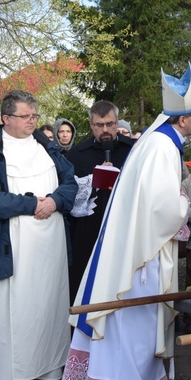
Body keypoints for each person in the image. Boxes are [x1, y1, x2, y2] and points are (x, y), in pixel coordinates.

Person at [61, 67, 191, 380]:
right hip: (141, 258)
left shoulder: (157, 141)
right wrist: (185, 202)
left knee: (127, 324)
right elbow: (162, 210)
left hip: (135, 246)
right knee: (133, 325)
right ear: (183, 120)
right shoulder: (161, 148)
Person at [0, 90, 77, 380]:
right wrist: (28, 205)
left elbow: (70, 182)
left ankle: (43, 377)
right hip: (3, 247)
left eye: (35, 116)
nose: (32, 121)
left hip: (47, 248)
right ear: (6, 118)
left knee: (44, 310)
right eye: (26, 116)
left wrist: (54, 201)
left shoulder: (46, 146)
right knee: (0, 314)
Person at [65, 100, 136, 301]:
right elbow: (68, 192)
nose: (105, 130)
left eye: (110, 124)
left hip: (123, 227)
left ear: (117, 122)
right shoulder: (77, 154)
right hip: (88, 229)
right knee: (85, 281)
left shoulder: (132, 149)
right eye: (99, 125)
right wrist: (93, 183)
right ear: (91, 125)